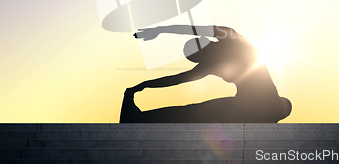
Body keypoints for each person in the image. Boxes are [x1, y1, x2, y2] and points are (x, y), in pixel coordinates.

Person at [119, 25, 292, 123]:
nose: (202, 64)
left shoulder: (231, 38)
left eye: (199, 60)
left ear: (201, 53)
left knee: (196, 111)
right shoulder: (214, 59)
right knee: (196, 110)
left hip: (261, 106)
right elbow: (178, 79)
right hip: (258, 107)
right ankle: (142, 119)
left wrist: (161, 30)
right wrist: (144, 85)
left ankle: (140, 119)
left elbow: (194, 28)